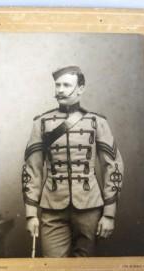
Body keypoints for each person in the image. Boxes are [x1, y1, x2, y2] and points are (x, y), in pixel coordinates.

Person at [22, 66, 124, 257]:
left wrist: (109, 214)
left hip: (90, 207)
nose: (60, 90)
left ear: (81, 88)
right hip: (52, 209)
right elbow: (32, 170)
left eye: (66, 85)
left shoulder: (97, 122)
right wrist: (30, 214)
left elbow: (114, 167)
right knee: (53, 270)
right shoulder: (41, 123)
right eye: (57, 85)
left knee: (84, 270)